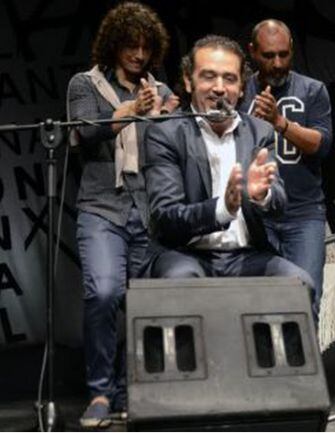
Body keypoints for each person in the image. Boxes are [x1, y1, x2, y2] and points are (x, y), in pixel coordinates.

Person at [66, 2, 177, 427]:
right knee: (104, 292)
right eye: (131, 45)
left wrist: (165, 117)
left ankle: (136, 391)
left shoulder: (160, 90)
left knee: (143, 304)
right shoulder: (85, 84)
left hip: (147, 208)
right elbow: (85, 132)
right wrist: (131, 111)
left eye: (146, 47)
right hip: (102, 207)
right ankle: (99, 392)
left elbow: (172, 149)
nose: (138, 54)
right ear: (114, 45)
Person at [143, 34, 313, 292]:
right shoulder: (165, 133)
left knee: (300, 285)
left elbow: (279, 203)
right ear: (189, 82)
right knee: (182, 284)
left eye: (230, 79)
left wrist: (261, 194)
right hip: (185, 254)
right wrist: (223, 208)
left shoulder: (260, 132)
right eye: (209, 76)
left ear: (242, 88)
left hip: (247, 255)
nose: (220, 87)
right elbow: (166, 217)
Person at [239, 19, 333, 319]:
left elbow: (322, 145)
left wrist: (281, 123)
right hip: (256, 216)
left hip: (303, 215)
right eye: (268, 56)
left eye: (283, 54)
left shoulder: (312, 90)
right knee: (257, 307)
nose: (278, 63)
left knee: (307, 301)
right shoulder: (240, 92)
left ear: (291, 49)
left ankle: (306, 367)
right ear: (251, 52)